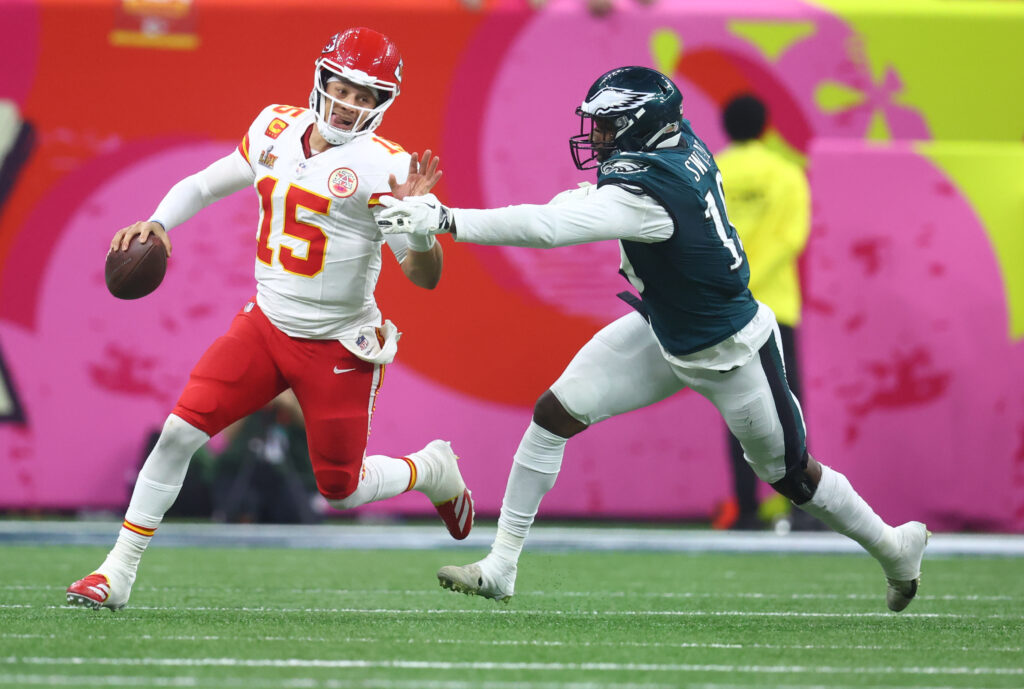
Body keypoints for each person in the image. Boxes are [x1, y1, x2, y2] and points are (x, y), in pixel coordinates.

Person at [377, 66, 929, 612]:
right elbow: (584, 205)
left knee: (791, 477)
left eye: (607, 124)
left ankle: (893, 547)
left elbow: (551, 230)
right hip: (664, 325)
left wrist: (446, 218)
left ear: (640, 123)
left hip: (730, 350)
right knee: (554, 414)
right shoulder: (677, 142)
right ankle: (501, 566)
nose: (596, 135)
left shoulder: (650, 191)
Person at [66, 27, 474, 611]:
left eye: (365, 95)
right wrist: (159, 221)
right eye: (343, 88)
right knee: (179, 433)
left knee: (341, 490)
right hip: (264, 324)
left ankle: (431, 469)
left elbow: (423, 276)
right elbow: (205, 184)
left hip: (339, 342)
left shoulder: (387, 168)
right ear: (322, 79)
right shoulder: (274, 128)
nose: (350, 103)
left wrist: (422, 231)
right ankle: (117, 571)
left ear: (382, 103)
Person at [714, 93, 813, 531]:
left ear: (726, 126)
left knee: (736, 406)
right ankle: (802, 508)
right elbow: (790, 238)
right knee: (787, 408)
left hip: (724, 307)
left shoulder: (710, 172)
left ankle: (746, 509)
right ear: (766, 126)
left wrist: (731, 283)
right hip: (774, 307)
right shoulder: (786, 174)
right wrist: (751, 279)